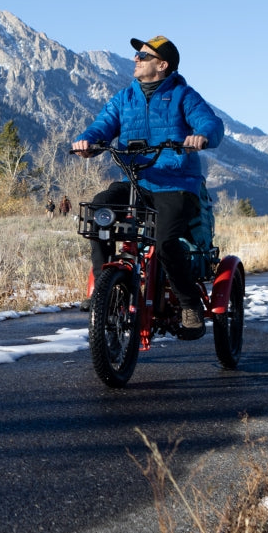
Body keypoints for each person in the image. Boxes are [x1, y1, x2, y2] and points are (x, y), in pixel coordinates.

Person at [71, 35, 224, 339]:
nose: (135, 60)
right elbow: (103, 125)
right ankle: (106, 290)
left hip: (177, 184)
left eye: (143, 56)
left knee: (166, 241)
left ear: (162, 65)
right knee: (98, 212)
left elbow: (211, 123)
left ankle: (189, 305)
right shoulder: (124, 97)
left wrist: (202, 136)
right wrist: (88, 141)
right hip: (135, 182)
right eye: (137, 56)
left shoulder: (183, 95)